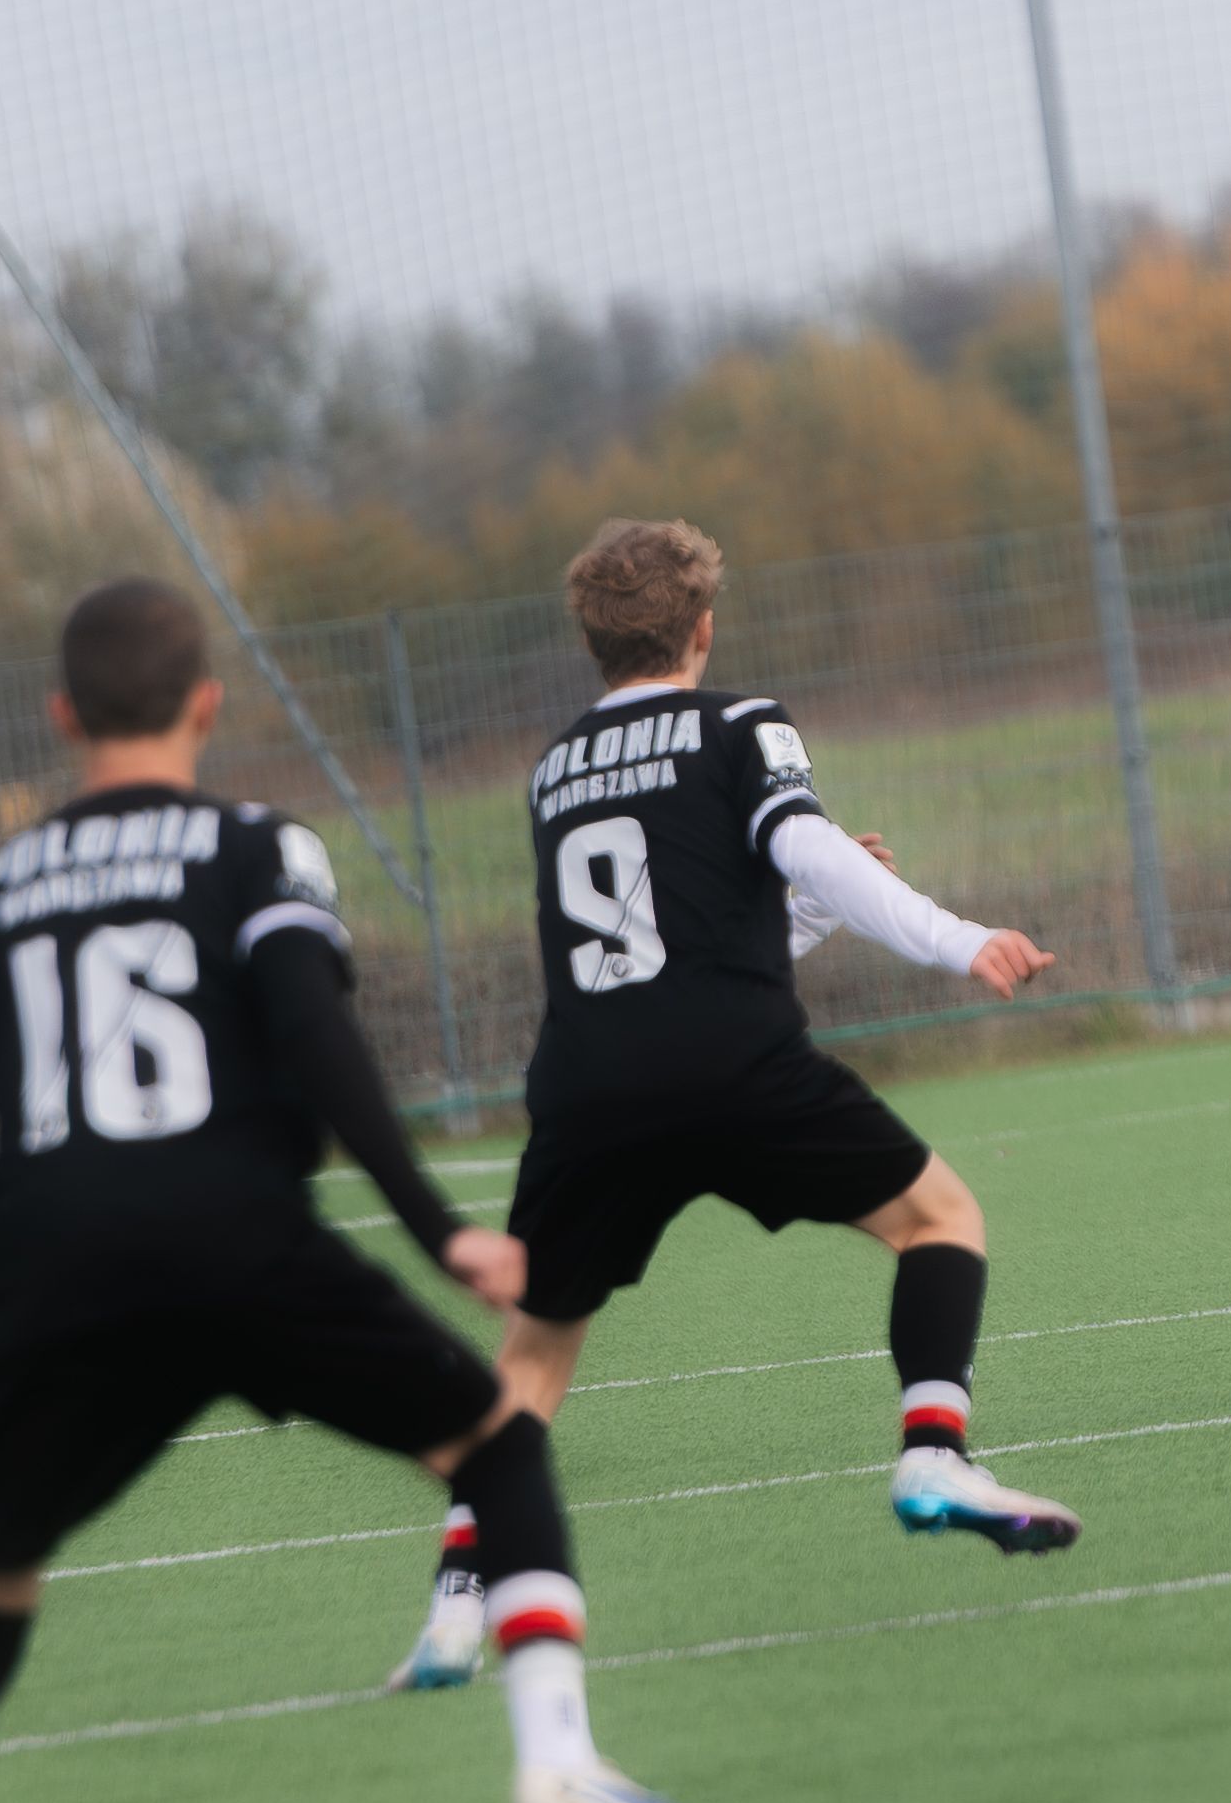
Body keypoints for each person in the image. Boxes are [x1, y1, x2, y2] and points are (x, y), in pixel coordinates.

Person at [0, 581, 713, 1803]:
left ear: (61, 715)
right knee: (496, 1449)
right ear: (206, 704)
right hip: (242, 1241)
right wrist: (438, 1229)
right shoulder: (256, 847)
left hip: (52, 1278)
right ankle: (557, 1755)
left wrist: (40, 1233)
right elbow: (315, 1038)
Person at [384, 519, 1078, 1693]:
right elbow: (805, 849)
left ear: (592, 643)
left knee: (533, 1361)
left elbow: (666, 947)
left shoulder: (554, 769)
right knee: (940, 1218)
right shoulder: (740, 722)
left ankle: (458, 1599)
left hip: (588, 1086)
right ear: (702, 629)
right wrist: (955, 936)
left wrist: (806, 908)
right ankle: (933, 1454)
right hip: (732, 1065)